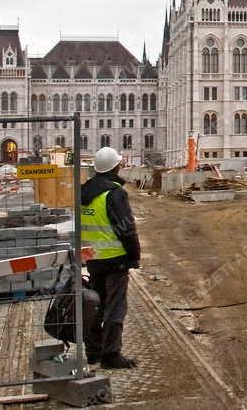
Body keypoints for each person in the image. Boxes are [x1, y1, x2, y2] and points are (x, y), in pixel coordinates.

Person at [80, 147, 140, 369]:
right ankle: (111, 354)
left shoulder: (84, 193)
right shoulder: (114, 194)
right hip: (116, 259)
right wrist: (134, 255)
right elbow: (126, 229)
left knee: (97, 305)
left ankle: (94, 351)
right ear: (115, 167)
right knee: (115, 307)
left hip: (94, 259)